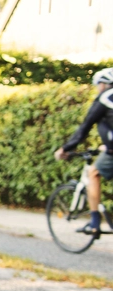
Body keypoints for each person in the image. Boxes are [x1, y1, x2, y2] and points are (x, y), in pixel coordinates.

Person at [54, 67, 113, 236]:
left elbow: (85, 126)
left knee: (93, 173)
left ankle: (94, 222)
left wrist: (65, 148)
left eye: (98, 85)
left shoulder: (105, 97)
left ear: (103, 84)